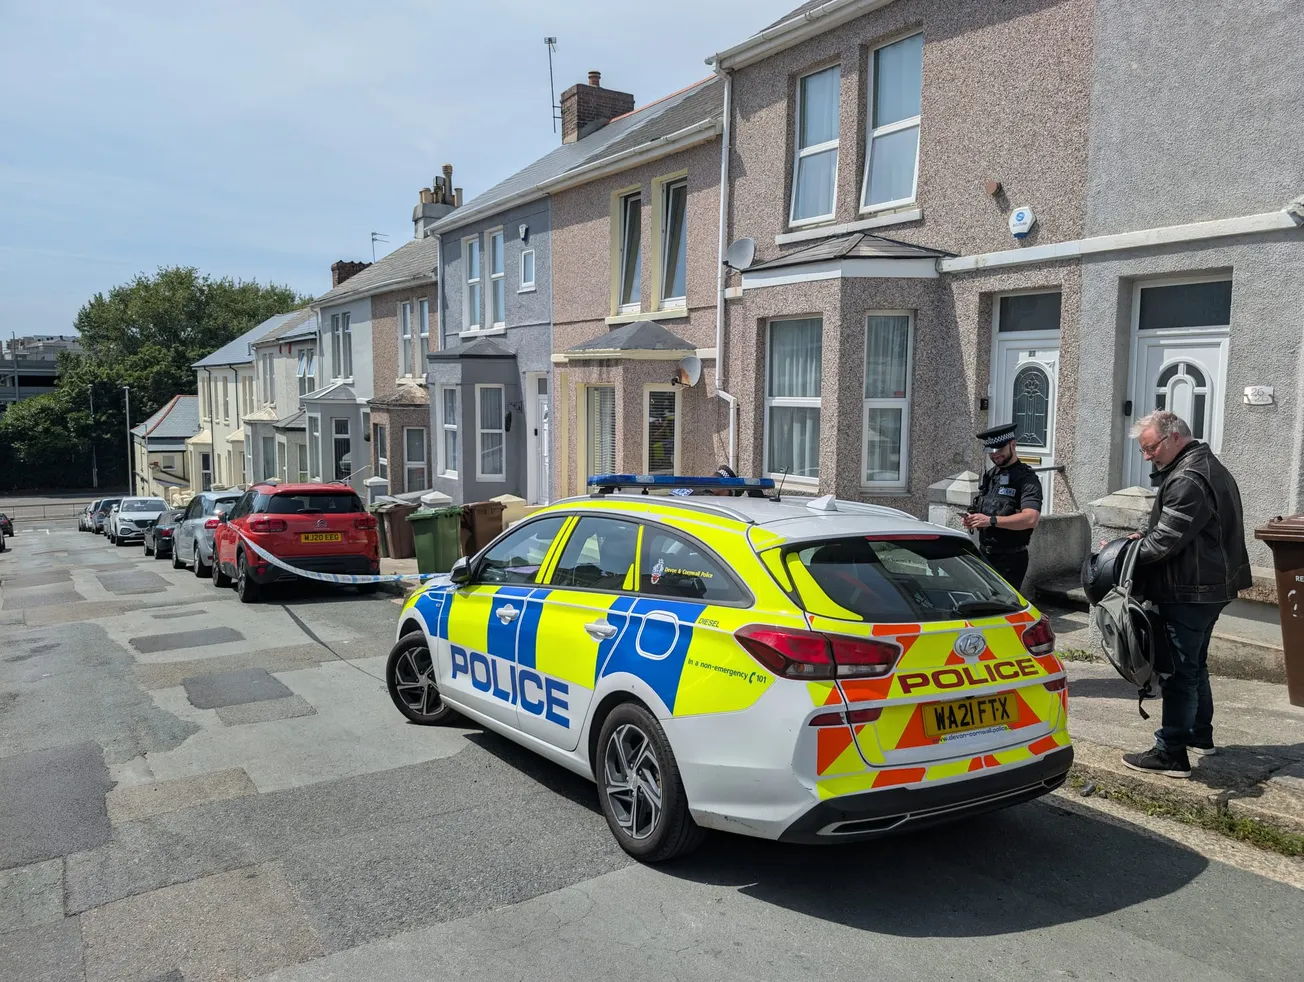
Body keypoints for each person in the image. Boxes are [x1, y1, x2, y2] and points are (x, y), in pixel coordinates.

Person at [1120, 410, 1251, 779]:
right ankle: (1199, 734)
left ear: (1174, 437)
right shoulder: (1206, 464)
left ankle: (1170, 753)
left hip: (1191, 590)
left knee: (1178, 672)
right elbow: (1179, 532)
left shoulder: (1188, 478)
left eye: (1151, 448)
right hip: (1208, 586)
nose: (1148, 457)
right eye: (1144, 451)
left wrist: (1125, 553)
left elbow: (1165, 542)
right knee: (1195, 665)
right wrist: (1143, 540)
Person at [962, 422, 1043, 591]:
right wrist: (973, 519)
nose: (995, 455)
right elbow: (986, 507)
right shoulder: (992, 475)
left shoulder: (1027, 479)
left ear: (1012, 445)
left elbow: (1030, 519)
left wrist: (991, 521)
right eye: (991, 451)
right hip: (985, 553)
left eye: (999, 449)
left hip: (1010, 559)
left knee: (1003, 608)